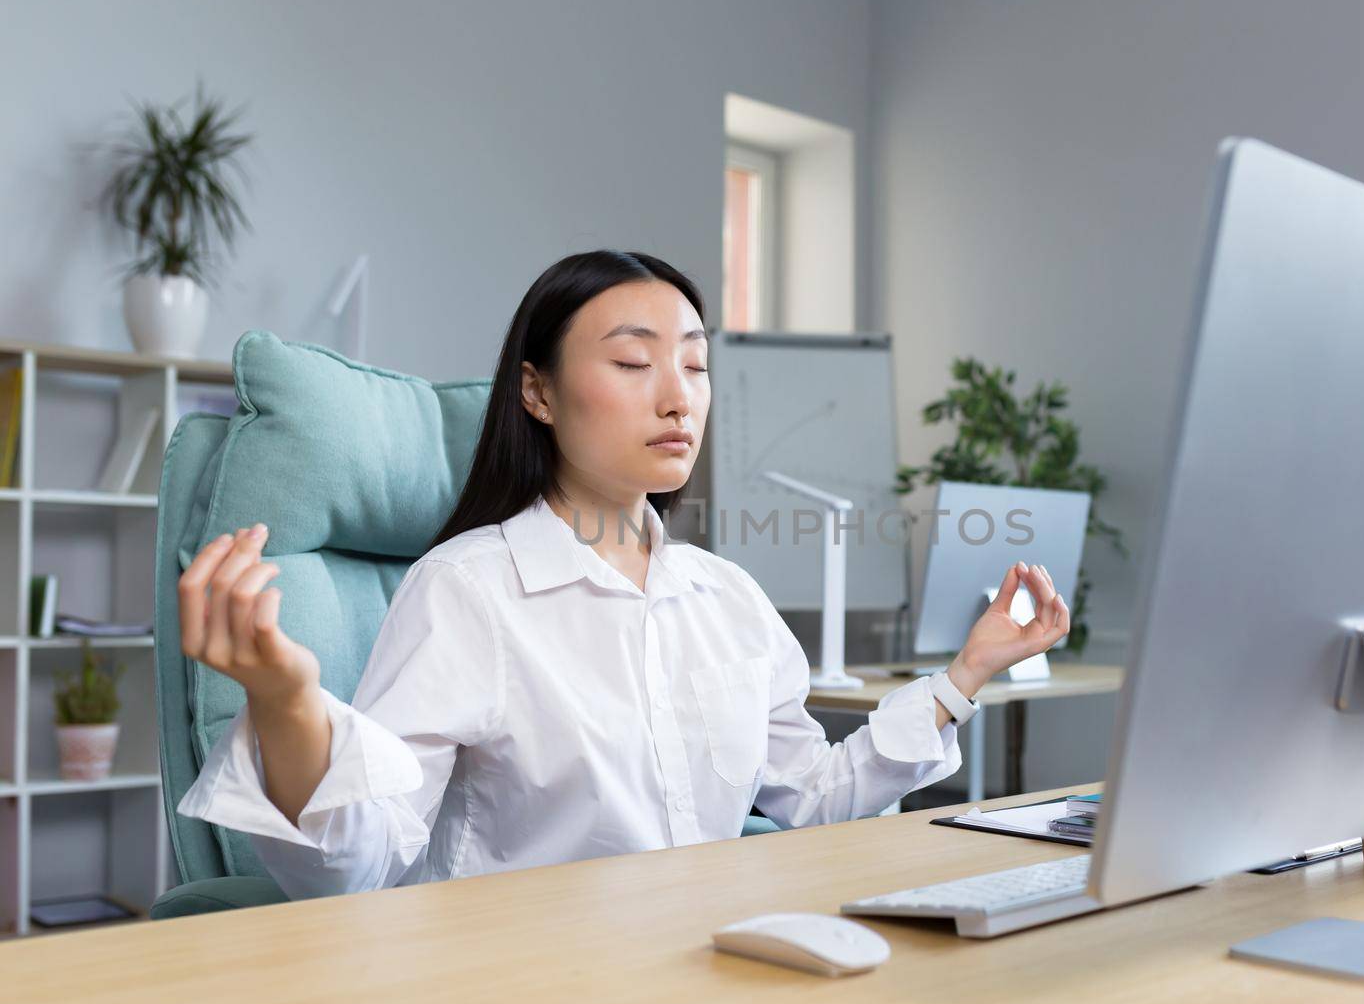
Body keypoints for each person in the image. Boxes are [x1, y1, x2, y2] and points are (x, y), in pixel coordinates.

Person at [175, 250, 1071, 900]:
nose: (678, 395)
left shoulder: (726, 598)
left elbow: (815, 802)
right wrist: (288, 703)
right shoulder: (469, 590)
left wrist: (964, 677)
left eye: (695, 364)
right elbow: (361, 866)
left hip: (711, 973)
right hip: (528, 999)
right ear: (538, 392)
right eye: (635, 362)